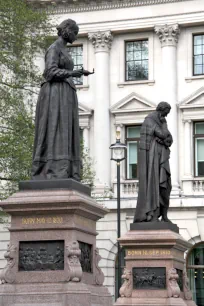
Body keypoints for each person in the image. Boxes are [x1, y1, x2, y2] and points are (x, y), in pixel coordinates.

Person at [31, 19, 92, 180]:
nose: (75, 36)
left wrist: (76, 73)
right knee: (55, 128)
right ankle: (53, 168)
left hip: (65, 94)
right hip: (55, 94)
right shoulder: (54, 48)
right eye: (74, 32)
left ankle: (67, 170)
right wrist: (73, 74)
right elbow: (50, 72)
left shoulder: (64, 50)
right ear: (66, 30)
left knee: (65, 129)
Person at [133, 101, 173, 223]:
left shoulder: (160, 121)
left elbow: (169, 138)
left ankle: (164, 215)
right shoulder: (150, 120)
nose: (166, 116)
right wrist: (164, 126)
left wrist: (165, 139)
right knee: (155, 187)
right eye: (166, 113)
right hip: (153, 161)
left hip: (163, 158)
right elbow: (163, 134)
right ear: (162, 110)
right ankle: (153, 214)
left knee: (166, 187)